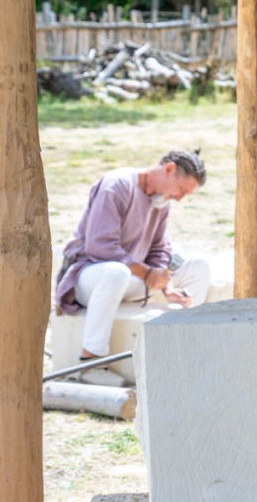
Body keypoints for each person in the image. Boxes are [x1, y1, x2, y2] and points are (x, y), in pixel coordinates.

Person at [55, 149, 211, 370]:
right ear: (169, 169)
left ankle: (181, 353)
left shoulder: (161, 201)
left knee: (199, 268)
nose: (179, 198)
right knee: (116, 272)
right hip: (90, 278)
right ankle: (90, 362)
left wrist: (165, 285)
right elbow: (100, 246)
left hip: (130, 279)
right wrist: (147, 274)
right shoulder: (117, 185)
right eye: (181, 190)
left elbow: (159, 249)